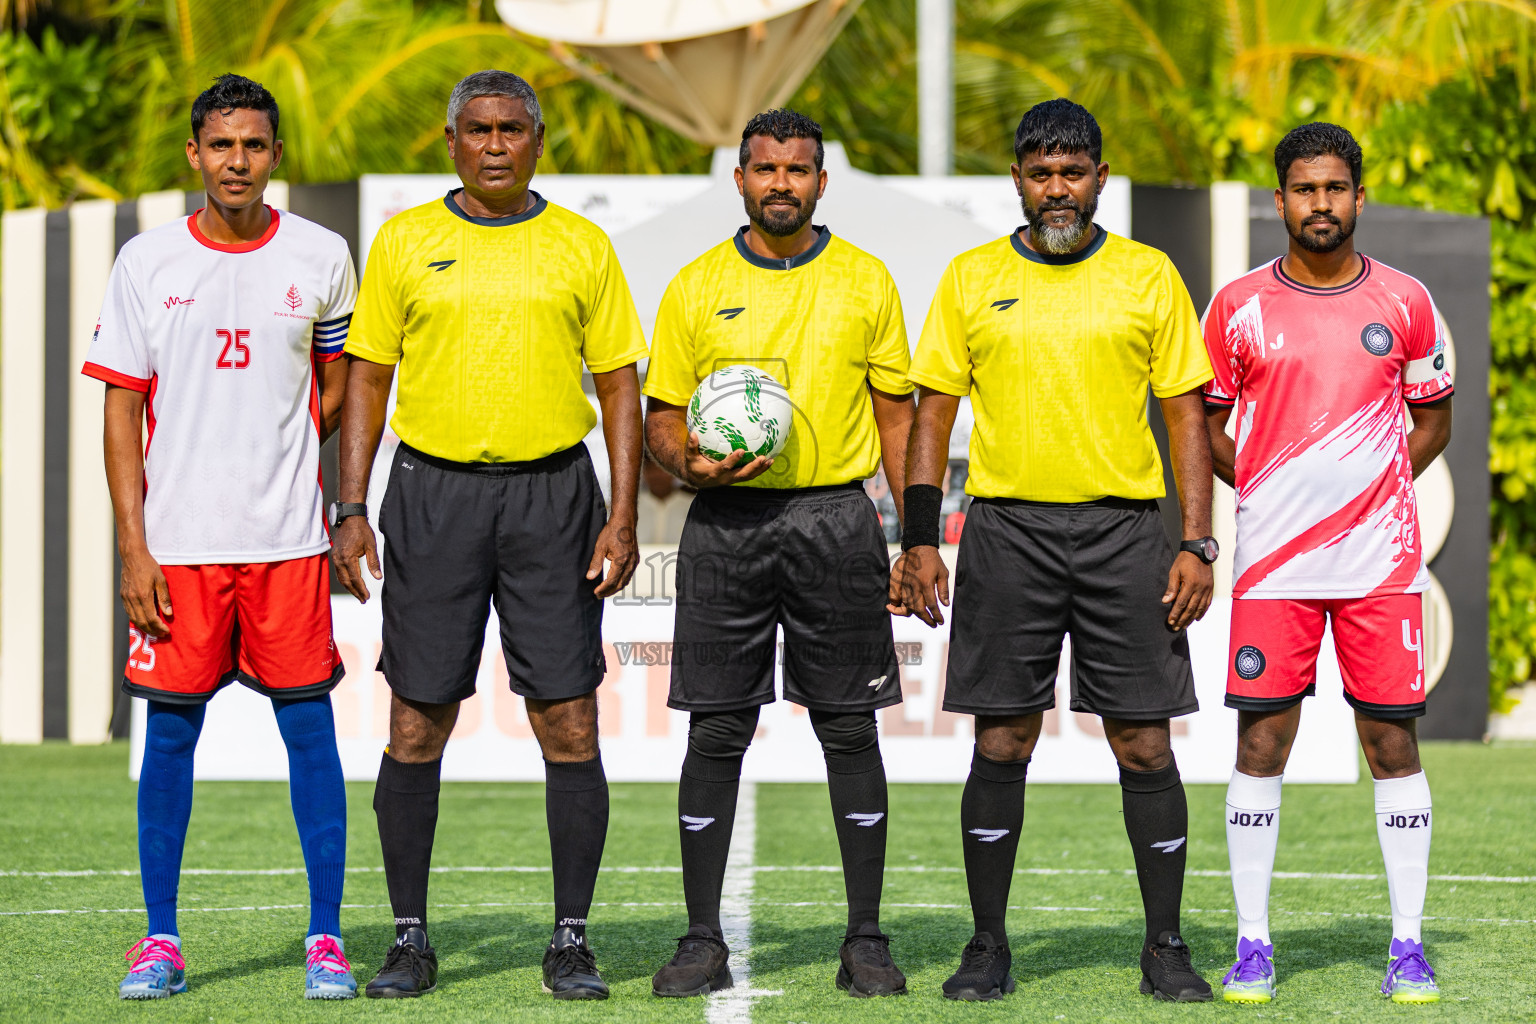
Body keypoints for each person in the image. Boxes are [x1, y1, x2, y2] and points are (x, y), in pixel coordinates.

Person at [895, 98, 1218, 1003]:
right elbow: (934, 414)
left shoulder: (1149, 276)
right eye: (1041, 174)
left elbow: (1186, 413)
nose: (1057, 190)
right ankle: (987, 944)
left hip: (1126, 534)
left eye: (1073, 173)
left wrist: (1197, 539)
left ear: (1100, 178)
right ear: (1018, 182)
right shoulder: (970, 277)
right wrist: (922, 538)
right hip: (1007, 534)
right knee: (1002, 739)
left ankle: (1166, 946)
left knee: (1144, 745)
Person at [332, 70, 646, 1001]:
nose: (497, 144)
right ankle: (409, 938)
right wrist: (350, 507)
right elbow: (367, 381)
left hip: (555, 497)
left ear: (539, 142)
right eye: (479, 129)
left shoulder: (582, 246)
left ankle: (571, 939)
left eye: (514, 128)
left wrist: (622, 513)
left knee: (568, 716)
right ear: (451, 140)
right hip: (432, 496)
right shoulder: (404, 241)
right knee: (417, 719)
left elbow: (621, 384)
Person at [85, 74, 358, 1001]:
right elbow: (122, 412)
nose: (236, 161)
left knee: (309, 733)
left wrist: (276, 453)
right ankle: (160, 940)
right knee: (169, 739)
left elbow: (333, 389)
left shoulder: (323, 256)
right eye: (221, 145)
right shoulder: (145, 262)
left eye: (254, 145)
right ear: (195, 154)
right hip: (179, 548)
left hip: (289, 545)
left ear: (276, 155)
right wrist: (134, 546)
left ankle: (326, 938)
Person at [643, 109, 915, 999]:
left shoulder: (867, 280)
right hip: (726, 523)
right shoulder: (694, 285)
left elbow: (898, 415)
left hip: (837, 520)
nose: (781, 184)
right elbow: (661, 419)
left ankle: (866, 939)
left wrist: (912, 538)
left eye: (798, 170)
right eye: (765, 169)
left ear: (821, 183)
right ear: (741, 179)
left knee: (848, 725)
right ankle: (699, 938)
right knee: (717, 727)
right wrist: (689, 459)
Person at [1204, 123, 1454, 1005]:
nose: (1321, 204)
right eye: (1304, 189)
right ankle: (1252, 943)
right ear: (1280, 200)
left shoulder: (1408, 300)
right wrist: (1271, 492)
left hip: (1379, 567)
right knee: (1261, 743)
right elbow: (1207, 428)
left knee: (1391, 743)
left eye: (1335, 188)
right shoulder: (1236, 306)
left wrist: (1371, 492)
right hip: (1272, 569)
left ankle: (1409, 945)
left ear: (1358, 195)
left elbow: (1432, 421)